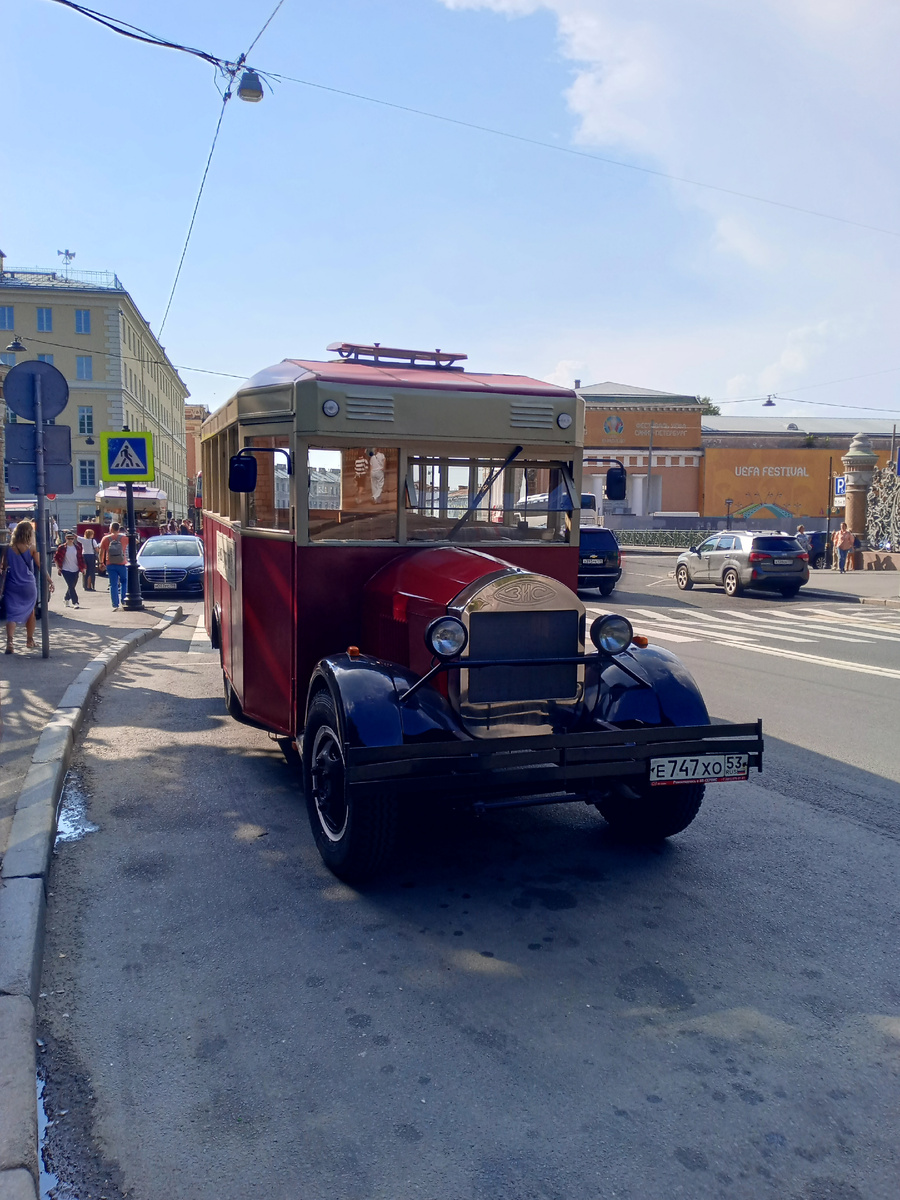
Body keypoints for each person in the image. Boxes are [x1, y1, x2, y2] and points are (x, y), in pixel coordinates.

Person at [4, 520, 54, 653]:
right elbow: (40, 566)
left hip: (11, 584)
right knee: (31, 611)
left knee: (12, 614)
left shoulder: (8, 548)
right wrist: (50, 580)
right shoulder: (32, 548)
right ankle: (30, 640)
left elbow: (4, 567)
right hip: (28, 584)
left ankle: (10, 642)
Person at [99, 522, 129, 611]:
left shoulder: (106, 538)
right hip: (122, 563)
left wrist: (101, 562)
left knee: (113, 584)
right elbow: (136, 542)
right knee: (124, 582)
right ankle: (124, 600)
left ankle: (115, 604)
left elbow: (101, 552)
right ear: (118, 529)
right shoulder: (124, 538)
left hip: (110, 563)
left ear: (111, 528)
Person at [54, 531, 86, 608]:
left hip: (75, 569)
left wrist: (84, 568)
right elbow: (56, 558)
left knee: (72, 586)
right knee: (71, 586)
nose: (70, 540)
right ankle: (75, 602)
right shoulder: (61, 547)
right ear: (66, 538)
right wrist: (58, 567)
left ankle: (66, 598)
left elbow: (81, 559)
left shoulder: (77, 548)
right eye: (69, 538)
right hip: (65, 569)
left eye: (72, 538)